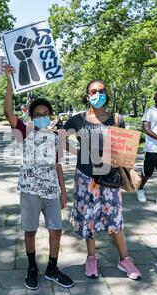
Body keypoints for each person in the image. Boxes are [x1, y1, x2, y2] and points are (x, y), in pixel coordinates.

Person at [62, 80, 142, 280]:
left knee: (114, 218)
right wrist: (78, 153)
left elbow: (126, 149)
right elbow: (60, 138)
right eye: (93, 91)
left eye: (101, 91)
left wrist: (120, 159)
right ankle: (91, 258)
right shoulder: (77, 120)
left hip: (109, 178)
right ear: (87, 95)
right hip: (85, 177)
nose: (98, 94)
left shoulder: (116, 120)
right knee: (89, 218)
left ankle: (125, 259)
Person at [4, 64, 74, 290]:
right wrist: (8, 81)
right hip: (30, 191)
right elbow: (8, 112)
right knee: (30, 231)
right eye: (38, 115)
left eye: (46, 114)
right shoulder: (24, 131)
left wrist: (64, 192)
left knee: (56, 230)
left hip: (52, 192)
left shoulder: (56, 137)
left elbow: (58, 165)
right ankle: (32, 267)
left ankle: (52, 268)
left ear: (50, 117)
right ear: (31, 117)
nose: (42, 117)